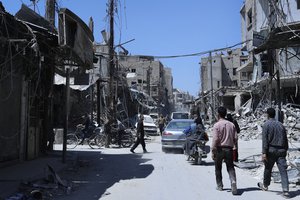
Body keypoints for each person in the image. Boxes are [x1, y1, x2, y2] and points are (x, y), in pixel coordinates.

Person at [257, 108, 289, 198]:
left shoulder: (266, 125)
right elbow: (285, 139)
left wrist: (264, 153)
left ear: (267, 114)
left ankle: (265, 185)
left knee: (268, 169)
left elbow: (265, 140)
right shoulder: (281, 125)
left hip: (271, 151)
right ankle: (286, 190)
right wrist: (286, 149)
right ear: (274, 114)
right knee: (283, 171)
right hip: (281, 151)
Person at [211, 106, 238, 195]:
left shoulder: (217, 125)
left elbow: (215, 139)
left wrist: (213, 150)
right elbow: (235, 138)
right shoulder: (231, 124)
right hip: (229, 149)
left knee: (218, 168)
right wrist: (234, 146)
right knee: (230, 167)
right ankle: (233, 181)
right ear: (225, 114)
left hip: (219, 149)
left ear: (218, 114)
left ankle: (220, 185)